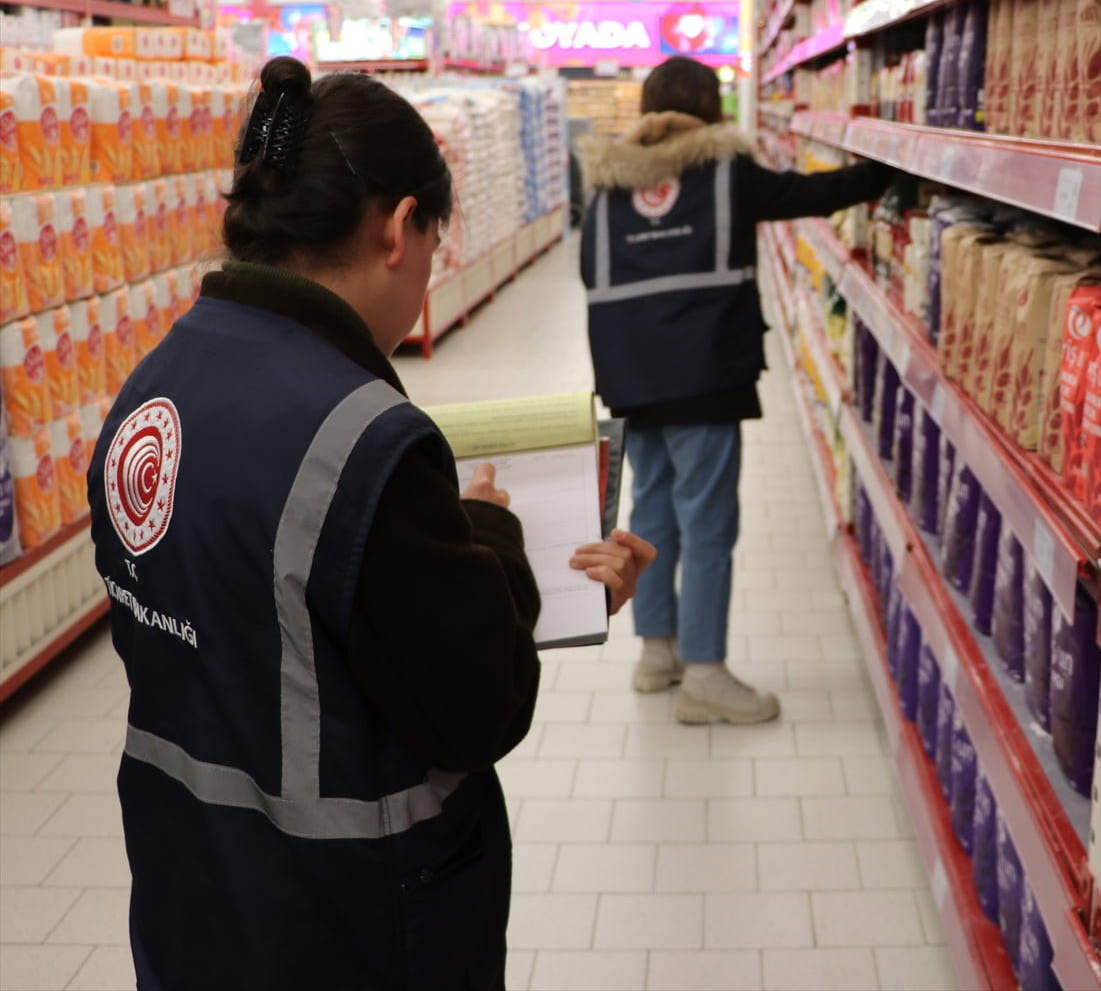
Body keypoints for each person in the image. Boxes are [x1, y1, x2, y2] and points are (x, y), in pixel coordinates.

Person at [86, 56, 655, 991]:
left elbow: (276, 624)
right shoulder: (364, 441)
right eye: (436, 238)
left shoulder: (158, 385)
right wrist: (493, 539)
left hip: (193, 882)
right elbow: (476, 710)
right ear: (399, 228)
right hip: (348, 919)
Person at [578, 56, 893, 726]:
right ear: (712, 110)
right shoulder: (723, 176)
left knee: (654, 516)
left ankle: (656, 654)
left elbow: (590, 278)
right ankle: (706, 675)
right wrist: (889, 168)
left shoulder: (604, 191)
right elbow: (808, 195)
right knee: (708, 525)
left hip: (630, 380)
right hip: (702, 375)